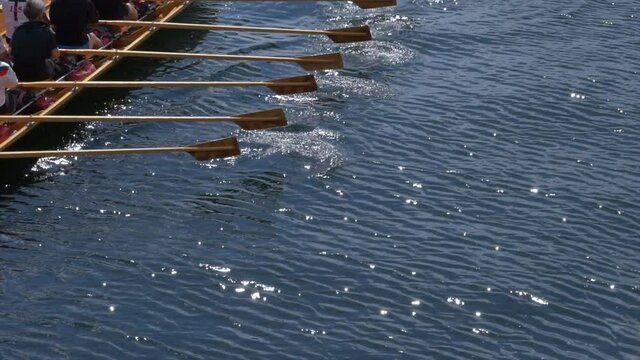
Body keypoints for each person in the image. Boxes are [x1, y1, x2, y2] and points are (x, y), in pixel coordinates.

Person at [9, 0, 61, 81]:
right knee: (59, 68)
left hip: (20, 74)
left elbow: (11, 53)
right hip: (41, 73)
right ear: (41, 15)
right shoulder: (47, 31)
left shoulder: (18, 31)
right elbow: (56, 55)